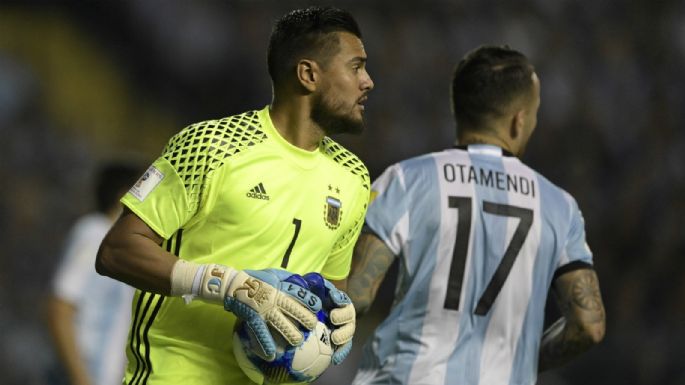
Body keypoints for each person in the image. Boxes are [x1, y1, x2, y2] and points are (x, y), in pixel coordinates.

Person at [95, 5, 373, 385]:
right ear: (308, 74)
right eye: (356, 67)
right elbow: (116, 251)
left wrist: (340, 319)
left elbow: (330, 290)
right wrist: (229, 287)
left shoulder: (354, 178)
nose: (368, 81)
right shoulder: (210, 145)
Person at [347, 45, 606, 385]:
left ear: (460, 109)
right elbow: (589, 325)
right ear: (520, 119)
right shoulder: (559, 206)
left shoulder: (408, 179)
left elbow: (355, 295)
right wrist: (525, 362)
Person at [47, 162, 142, 385]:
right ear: (123, 195)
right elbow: (59, 308)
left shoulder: (122, 247)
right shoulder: (94, 232)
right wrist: (81, 379)